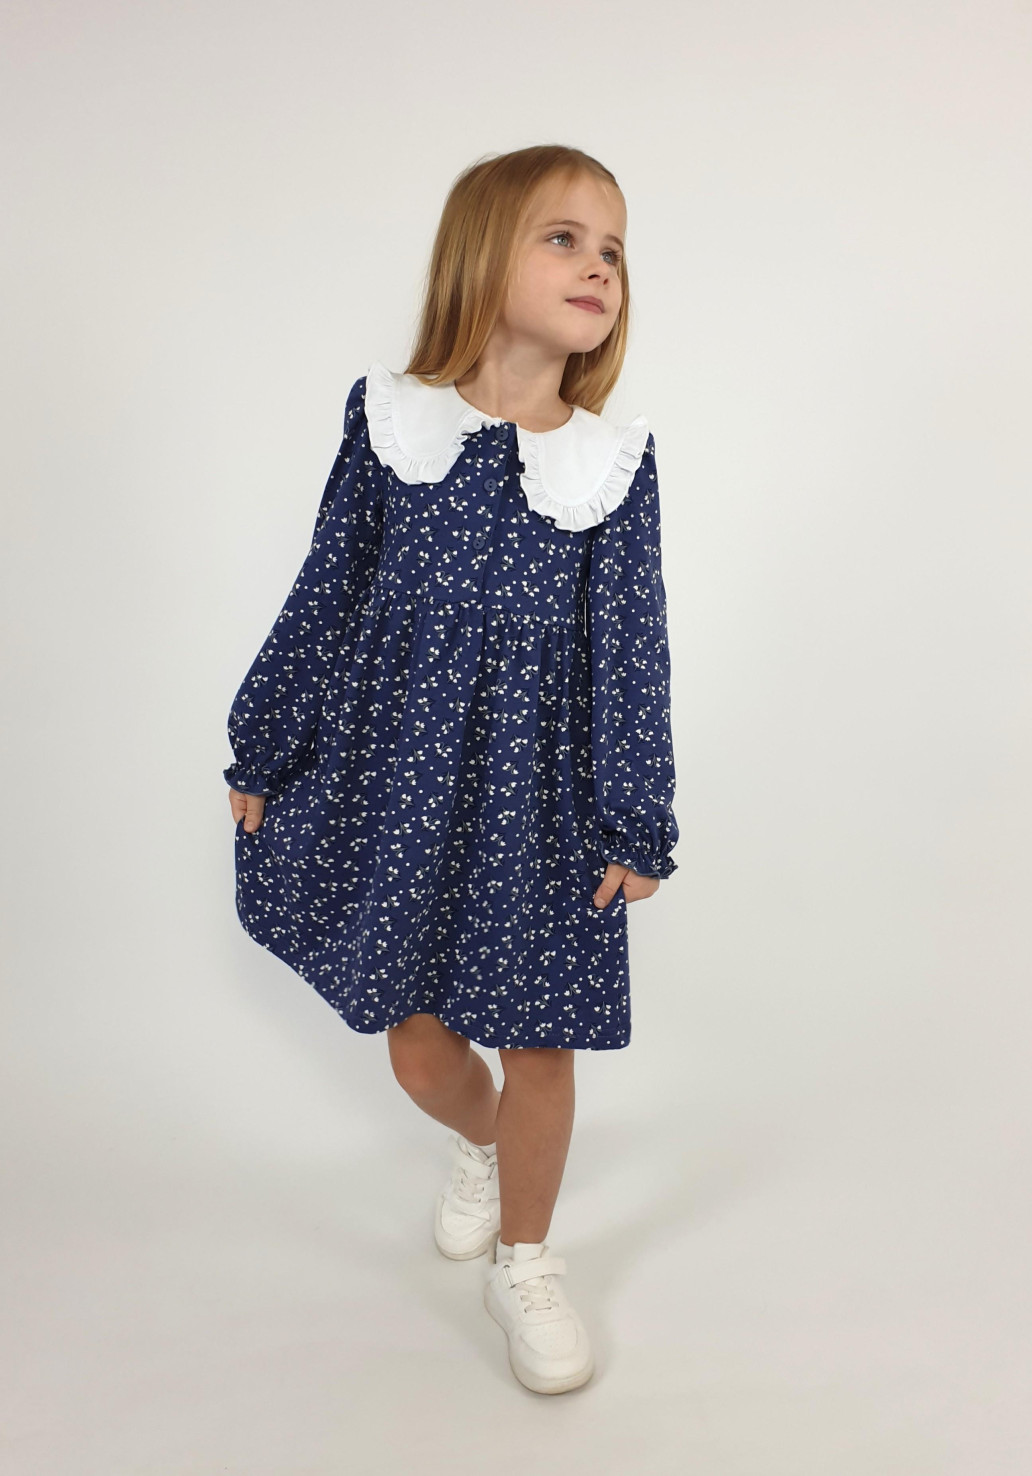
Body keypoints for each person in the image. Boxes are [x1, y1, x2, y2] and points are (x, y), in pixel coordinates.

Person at [222, 143, 679, 1395]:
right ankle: (477, 1146)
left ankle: (526, 1259)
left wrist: (634, 817)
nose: (598, 266)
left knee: (540, 1045)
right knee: (419, 1047)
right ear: (482, 256)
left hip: (542, 801)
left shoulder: (611, 463)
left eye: (613, 249)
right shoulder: (391, 421)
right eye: (563, 237)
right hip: (399, 783)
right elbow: (328, 585)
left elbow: (631, 647)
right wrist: (266, 737)